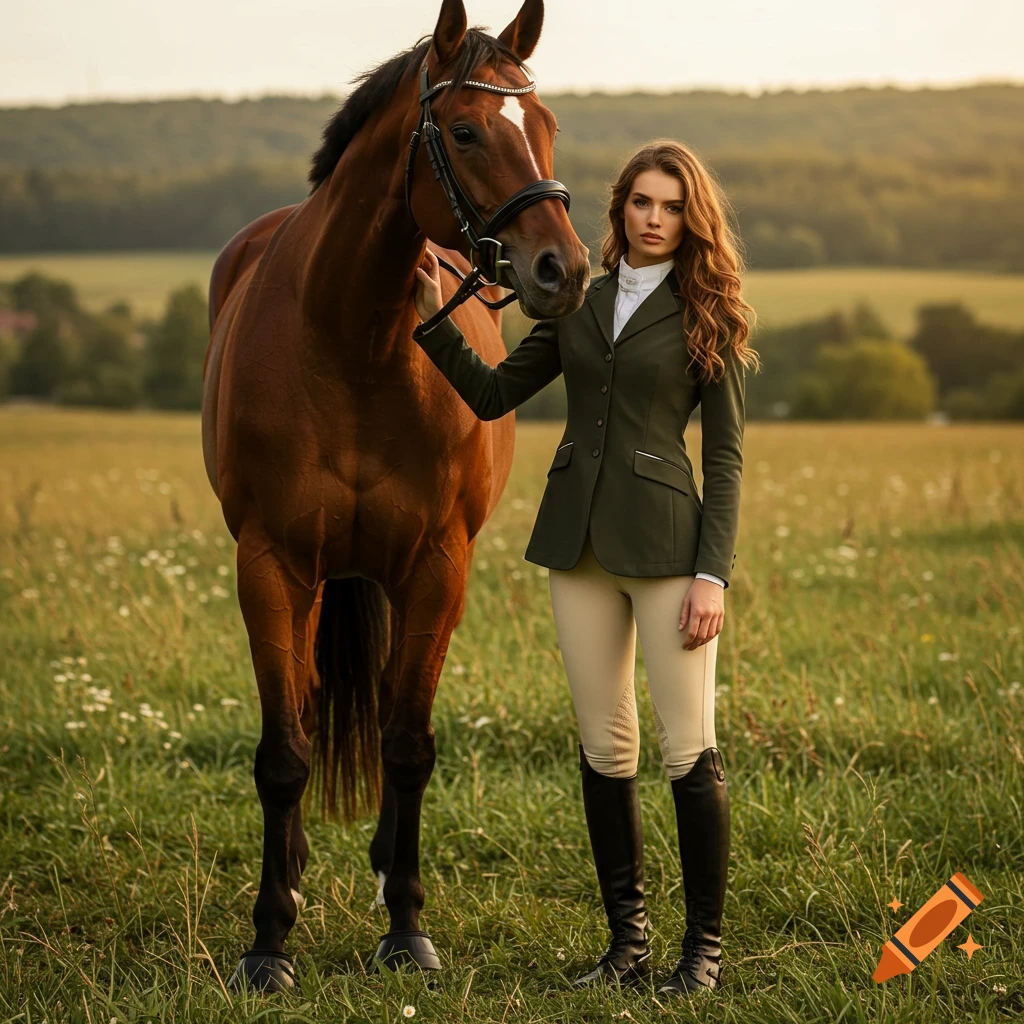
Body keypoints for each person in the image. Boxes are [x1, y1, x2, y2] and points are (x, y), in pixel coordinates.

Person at [410, 139, 759, 995]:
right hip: (578, 548)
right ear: (618, 209)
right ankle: (627, 947)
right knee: (606, 748)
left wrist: (713, 575)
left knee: (688, 750)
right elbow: (494, 393)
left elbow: (725, 460)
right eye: (642, 202)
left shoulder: (711, 310)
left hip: (672, 552)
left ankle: (700, 955)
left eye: (672, 207)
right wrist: (432, 320)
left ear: (692, 219)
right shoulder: (577, 302)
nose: (654, 219)